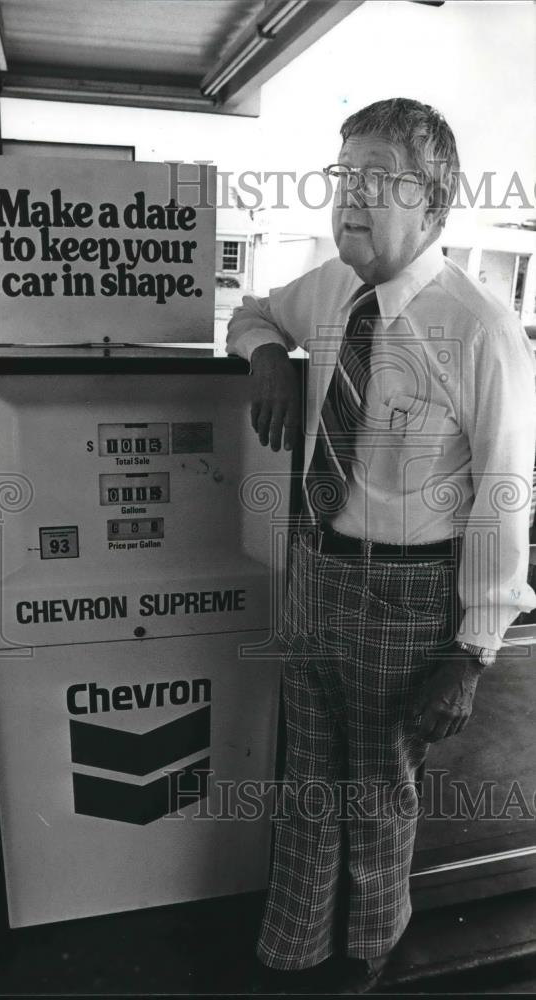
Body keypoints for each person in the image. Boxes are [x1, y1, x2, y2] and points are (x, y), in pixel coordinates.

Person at [227, 97, 536, 994]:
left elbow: (503, 496)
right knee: (308, 780)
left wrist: (472, 652)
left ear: (434, 204)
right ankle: (292, 952)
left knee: (376, 794)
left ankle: (365, 960)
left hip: (409, 593)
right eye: (342, 175)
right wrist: (267, 358)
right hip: (316, 571)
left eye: (375, 178)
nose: (348, 197)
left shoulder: (477, 327)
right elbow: (253, 313)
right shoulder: (327, 291)